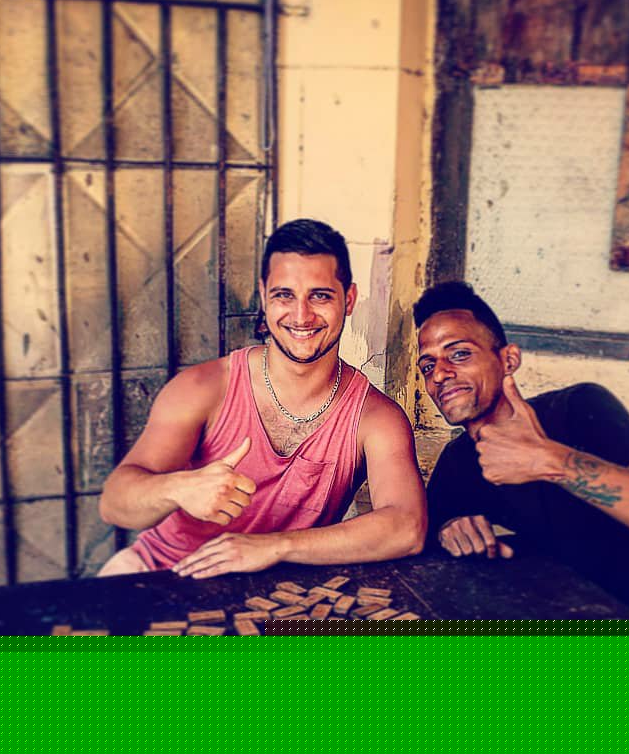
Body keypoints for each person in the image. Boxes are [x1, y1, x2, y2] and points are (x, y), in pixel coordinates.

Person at [97, 219, 426, 578]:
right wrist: (177, 489)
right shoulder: (204, 387)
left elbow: (407, 528)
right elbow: (114, 502)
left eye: (320, 296)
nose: (301, 316)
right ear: (263, 294)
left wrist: (275, 546)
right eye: (284, 295)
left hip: (282, 591)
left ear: (348, 299)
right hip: (163, 572)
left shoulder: (374, 418)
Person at [414, 281, 629, 618]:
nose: (440, 374)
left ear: (508, 360)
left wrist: (549, 460)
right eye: (428, 366)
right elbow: (429, 544)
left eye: (460, 354)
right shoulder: (457, 461)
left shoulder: (578, 408)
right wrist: (450, 530)